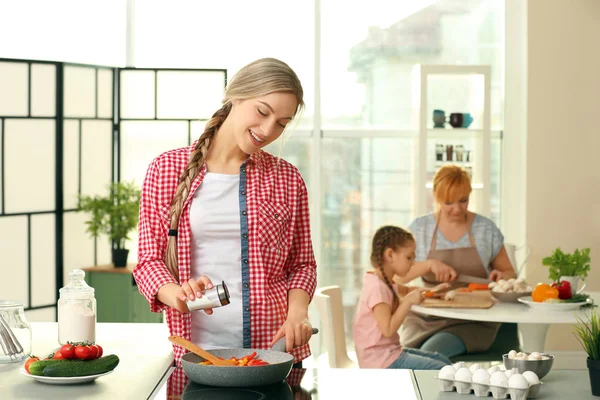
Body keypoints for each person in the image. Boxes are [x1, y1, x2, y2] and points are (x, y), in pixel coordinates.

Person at [133, 58, 317, 393]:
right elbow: (148, 262)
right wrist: (176, 295)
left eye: (281, 123)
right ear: (235, 96)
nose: (268, 129)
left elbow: (302, 263)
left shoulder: (287, 178)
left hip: (274, 355)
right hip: (198, 358)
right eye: (262, 112)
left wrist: (298, 313)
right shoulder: (166, 170)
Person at [398, 165, 515, 358]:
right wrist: (429, 265)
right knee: (402, 358)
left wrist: (501, 276)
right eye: (448, 203)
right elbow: (397, 278)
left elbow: (510, 273)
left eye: (463, 201)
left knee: (427, 355)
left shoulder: (485, 229)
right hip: (427, 315)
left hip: (473, 319)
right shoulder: (420, 230)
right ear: (437, 198)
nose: (457, 209)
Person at [353, 225, 452, 370]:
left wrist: (431, 292)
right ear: (390, 255)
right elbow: (388, 329)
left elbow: (406, 290)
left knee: (442, 360)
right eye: (409, 257)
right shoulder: (377, 289)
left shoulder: (384, 281)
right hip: (379, 362)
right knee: (442, 369)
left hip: (387, 354)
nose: (412, 263)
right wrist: (408, 302)